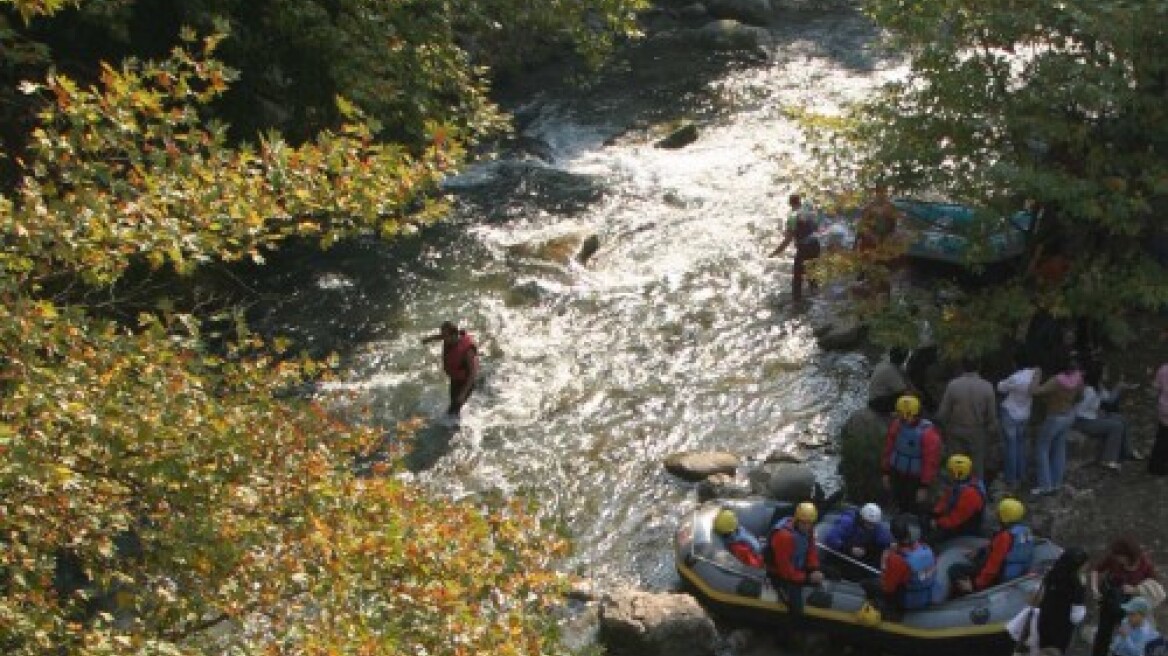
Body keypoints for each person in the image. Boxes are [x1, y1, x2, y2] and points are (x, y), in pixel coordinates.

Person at [1090, 537, 1161, 656]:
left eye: (1121, 557)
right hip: (1111, 600)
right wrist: (1094, 589)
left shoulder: (1145, 564)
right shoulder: (1113, 559)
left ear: (1129, 555)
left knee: (1126, 636)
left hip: (1130, 606)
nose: (1118, 559)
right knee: (1103, 635)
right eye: (1117, 556)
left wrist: (1136, 590)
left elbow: (1154, 588)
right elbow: (1096, 569)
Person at [949, 498, 1034, 595]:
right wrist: (980, 551)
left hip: (998, 577)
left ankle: (967, 593)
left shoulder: (1005, 536)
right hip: (1018, 572)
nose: (997, 514)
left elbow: (993, 567)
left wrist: (976, 585)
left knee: (954, 569)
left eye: (999, 513)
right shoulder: (1025, 531)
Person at [881, 395, 943, 524]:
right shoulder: (897, 425)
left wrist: (924, 486)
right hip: (897, 473)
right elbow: (888, 449)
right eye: (901, 415)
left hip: (916, 479)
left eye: (907, 416)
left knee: (916, 508)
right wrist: (885, 472)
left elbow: (930, 462)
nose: (904, 419)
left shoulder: (928, 434)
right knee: (899, 503)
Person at [936, 357, 1000, 480]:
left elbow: (943, 413)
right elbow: (992, 416)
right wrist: (992, 431)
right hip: (977, 431)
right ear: (979, 366)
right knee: (976, 468)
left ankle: (955, 493)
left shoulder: (953, 385)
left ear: (962, 367)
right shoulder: (987, 386)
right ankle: (976, 493)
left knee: (956, 465)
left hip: (955, 430)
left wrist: (944, 428)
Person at [1032, 356, 1084, 496]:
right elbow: (1081, 396)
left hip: (1055, 417)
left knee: (1042, 449)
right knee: (1060, 448)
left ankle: (1045, 486)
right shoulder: (1079, 378)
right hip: (1069, 415)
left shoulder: (1056, 381)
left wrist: (1036, 375)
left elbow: (1035, 391)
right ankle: (1056, 483)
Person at [870, 514, 936, 619]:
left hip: (907, 601)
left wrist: (884, 562)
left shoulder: (897, 560)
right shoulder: (925, 548)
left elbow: (888, 588)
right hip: (925, 594)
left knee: (868, 583)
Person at [1074, 364, 1139, 471]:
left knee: (1121, 419)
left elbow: (1109, 399)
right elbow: (1077, 410)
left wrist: (1119, 387)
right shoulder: (1088, 391)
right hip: (1083, 421)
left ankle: (1127, 451)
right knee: (1116, 426)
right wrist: (1097, 412)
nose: (1106, 374)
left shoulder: (1098, 386)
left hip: (1093, 416)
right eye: (1104, 372)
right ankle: (1108, 459)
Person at [766, 502, 825, 615]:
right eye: (804, 523)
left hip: (797, 566)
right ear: (797, 520)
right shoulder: (784, 536)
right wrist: (807, 578)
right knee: (797, 609)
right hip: (779, 573)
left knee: (832, 572)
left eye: (810, 523)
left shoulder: (808, 530)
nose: (807, 526)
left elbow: (811, 550)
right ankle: (789, 631)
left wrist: (814, 569)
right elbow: (785, 570)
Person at [998, 352, 1042, 493]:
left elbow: (1001, 387)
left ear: (1016, 363)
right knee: (1021, 445)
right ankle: (1022, 475)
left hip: (1010, 413)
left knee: (1011, 446)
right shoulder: (1035, 374)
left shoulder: (1016, 378)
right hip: (1025, 414)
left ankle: (1011, 478)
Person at [421, 321, 480, 424]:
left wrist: (463, 394)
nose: (443, 338)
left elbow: (472, 375)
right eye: (442, 335)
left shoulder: (467, 351)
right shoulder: (450, 339)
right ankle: (455, 421)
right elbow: (441, 336)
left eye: (445, 335)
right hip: (455, 379)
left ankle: (452, 431)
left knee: (453, 410)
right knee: (453, 403)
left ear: (454, 335)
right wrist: (429, 339)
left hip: (466, 382)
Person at [1037, 546, 1090, 655]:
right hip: (1061, 628)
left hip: (1044, 621)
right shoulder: (1076, 584)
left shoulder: (1051, 575)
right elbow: (1076, 616)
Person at [770, 193, 821, 303]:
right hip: (816, 245)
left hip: (804, 248)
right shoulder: (810, 212)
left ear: (790, 203)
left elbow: (788, 240)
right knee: (812, 276)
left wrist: (775, 252)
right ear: (800, 202)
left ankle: (796, 304)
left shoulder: (792, 217)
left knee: (797, 279)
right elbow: (817, 227)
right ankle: (816, 299)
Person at [928, 454, 987, 544]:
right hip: (954, 520)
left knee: (931, 540)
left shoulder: (971, 494)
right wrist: (935, 513)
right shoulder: (961, 483)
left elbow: (956, 519)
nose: (948, 473)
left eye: (951, 471)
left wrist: (938, 523)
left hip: (964, 529)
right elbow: (946, 499)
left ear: (958, 473)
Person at [823, 502, 892, 571]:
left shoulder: (877, 527)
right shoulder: (848, 522)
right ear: (862, 519)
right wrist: (850, 549)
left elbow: (885, 540)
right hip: (842, 553)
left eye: (873, 524)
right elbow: (831, 538)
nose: (870, 527)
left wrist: (887, 548)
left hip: (861, 557)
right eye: (868, 523)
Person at [868, 347, 911, 414]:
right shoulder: (890, 371)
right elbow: (905, 391)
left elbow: (904, 375)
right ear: (904, 358)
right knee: (910, 398)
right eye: (906, 356)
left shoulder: (884, 363)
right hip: (878, 403)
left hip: (874, 397)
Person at [1149, 361, 1168, 476]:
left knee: (1162, 437)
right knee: (1163, 439)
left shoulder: (1164, 369)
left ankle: (1157, 464)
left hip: (1164, 407)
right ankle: (1157, 465)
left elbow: (1156, 387)